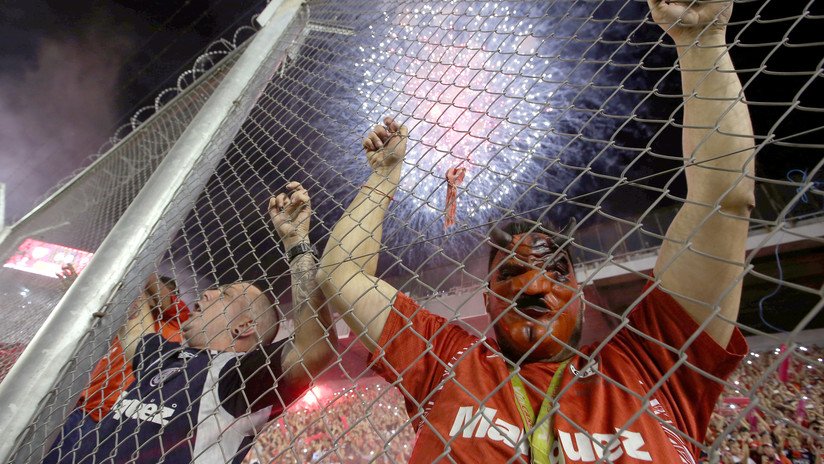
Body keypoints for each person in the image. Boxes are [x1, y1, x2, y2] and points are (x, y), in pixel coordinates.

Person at [319, 1, 754, 462]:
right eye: (509, 274)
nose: (532, 284)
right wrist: (385, 176)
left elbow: (722, 202)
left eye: (552, 268)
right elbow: (342, 274)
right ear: (485, 299)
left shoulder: (652, 365)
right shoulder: (446, 359)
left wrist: (701, 41)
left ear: (580, 292)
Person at [47, 182, 337, 463]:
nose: (208, 292)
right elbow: (131, 314)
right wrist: (131, 252)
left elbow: (316, 345)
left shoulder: (241, 376)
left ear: (243, 327)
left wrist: (297, 244)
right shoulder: (165, 357)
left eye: (225, 294)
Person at [43, 269, 189, 463]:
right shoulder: (123, 320)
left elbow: (161, 297)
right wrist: (78, 289)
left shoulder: (175, 321)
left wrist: (144, 265)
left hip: (115, 417)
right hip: (81, 409)